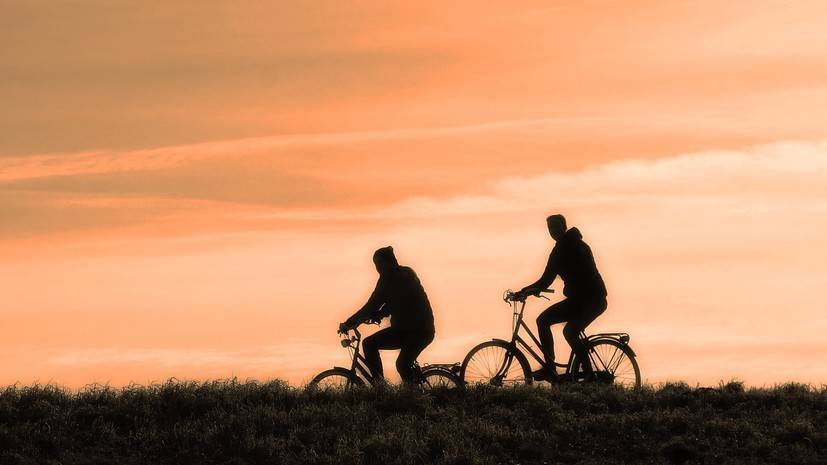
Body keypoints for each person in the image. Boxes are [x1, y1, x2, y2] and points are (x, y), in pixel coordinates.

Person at [514, 214, 607, 381]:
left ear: (563, 226)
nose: (553, 231)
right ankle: (568, 370)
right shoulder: (572, 245)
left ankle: (581, 372)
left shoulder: (565, 248)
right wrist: (528, 290)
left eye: (555, 227)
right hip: (586, 299)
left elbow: (546, 280)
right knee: (560, 327)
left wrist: (525, 291)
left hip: (589, 300)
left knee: (559, 327)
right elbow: (546, 279)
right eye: (550, 229)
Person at [339, 246, 435, 383]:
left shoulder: (403, 275)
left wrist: (349, 323)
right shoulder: (390, 278)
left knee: (402, 364)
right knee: (369, 344)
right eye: (376, 265)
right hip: (403, 330)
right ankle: (381, 387)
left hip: (420, 331)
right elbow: (389, 302)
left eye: (379, 264)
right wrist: (377, 315)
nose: (378, 268)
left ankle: (411, 397)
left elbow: (376, 304)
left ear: (389, 262)